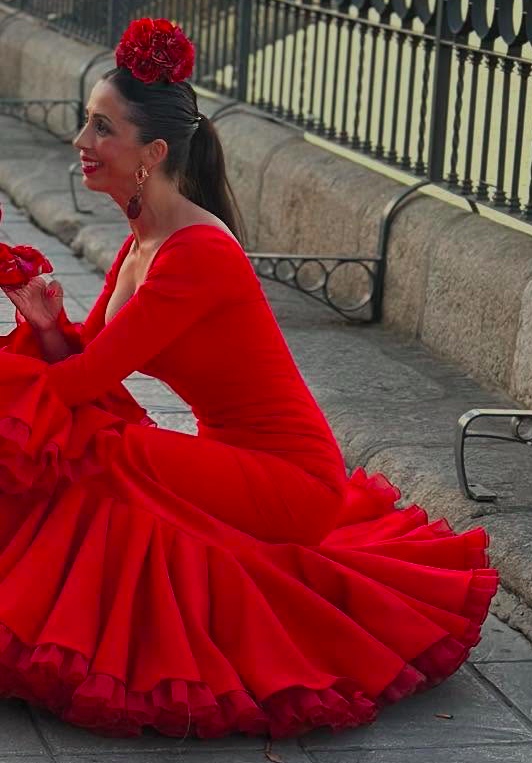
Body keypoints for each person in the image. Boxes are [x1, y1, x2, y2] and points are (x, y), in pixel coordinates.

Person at [0, 17, 497, 739]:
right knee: (87, 439)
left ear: (153, 154)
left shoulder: (195, 254)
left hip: (290, 481)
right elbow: (90, 370)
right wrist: (47, 325)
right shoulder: (145, 241)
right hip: (233, 460)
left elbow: (82, 385)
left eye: (102, 127)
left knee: (97, 446)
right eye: (86, 122)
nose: (82, 141)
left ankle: (61, 634)